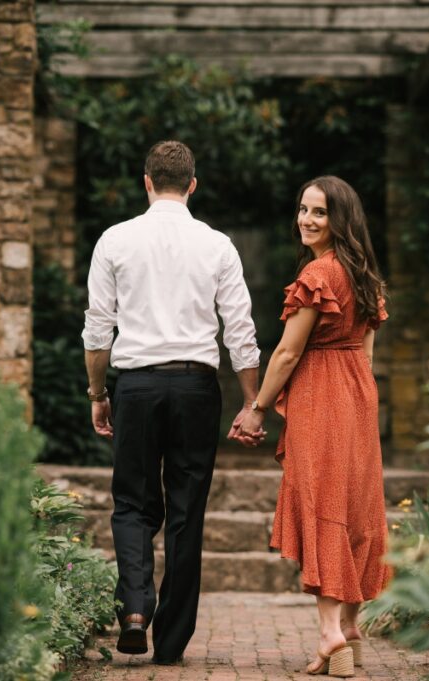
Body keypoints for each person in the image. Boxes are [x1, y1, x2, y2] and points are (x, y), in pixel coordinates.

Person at [83, 140, 262, 665]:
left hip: (135, 386)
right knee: (186, 509)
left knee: (132, 503)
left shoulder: (115, 240)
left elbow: (98, 330)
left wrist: (99, 394)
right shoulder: (218, 245)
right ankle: (173, 641)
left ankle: (135, 608)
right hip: (195, 388)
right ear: (192, 185)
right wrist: (251, 401)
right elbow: (241, 331)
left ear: (145, 181)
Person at [234, 175, 390, 678]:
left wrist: (258, 406)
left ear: (339, 220)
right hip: (359, 395)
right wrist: (358, 395)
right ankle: (351, 629)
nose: (306, 219)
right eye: (303, 209)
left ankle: (329, 637)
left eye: (319, 212)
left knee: (323, 505)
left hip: (321, 396)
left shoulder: (319, 276)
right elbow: (366, 351)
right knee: (357, 507)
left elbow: (287, 351)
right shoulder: (364, 274)